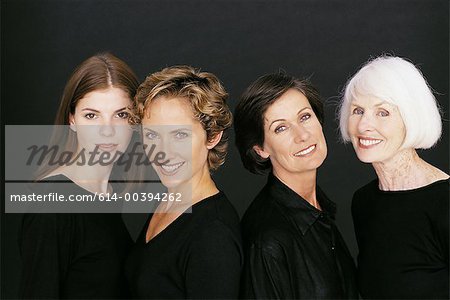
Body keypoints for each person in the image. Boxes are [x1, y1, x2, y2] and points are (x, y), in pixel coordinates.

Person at [19, 53, 138, 299]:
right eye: (91, 115)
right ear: (72, 119)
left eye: (121, 114)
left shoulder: (110, 190)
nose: (107, 131)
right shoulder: (51, 205)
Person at [235, 72, 358, 299]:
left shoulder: (319, 208)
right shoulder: (267, 241)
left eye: (304, 117)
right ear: (260, 149)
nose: (302, 135)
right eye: (280, 128)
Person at [125, 65, 243, 299]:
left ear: (212, 135)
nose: (163, 152)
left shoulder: (213, 236)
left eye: (179, 135)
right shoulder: (169, 201)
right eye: (152, 135)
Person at [339, 55, 449, 299]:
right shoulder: (364, 202)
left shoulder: (445, 203)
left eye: (383, 113)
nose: (364, 125)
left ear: (411, 119)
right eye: (358, 110)